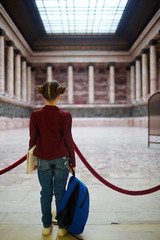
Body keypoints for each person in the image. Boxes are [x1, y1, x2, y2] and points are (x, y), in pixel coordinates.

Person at [29, 80, 76, 237]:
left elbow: (33, 139)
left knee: (46, 193)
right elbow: (69, 140)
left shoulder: (35, 115)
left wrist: (32, 160)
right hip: (61, 158)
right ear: (59, 96)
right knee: (60, 192)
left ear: (43, 95)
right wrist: (73, 162)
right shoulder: (65, 116)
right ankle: (62, 228)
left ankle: (46, 226)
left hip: (42, 158)